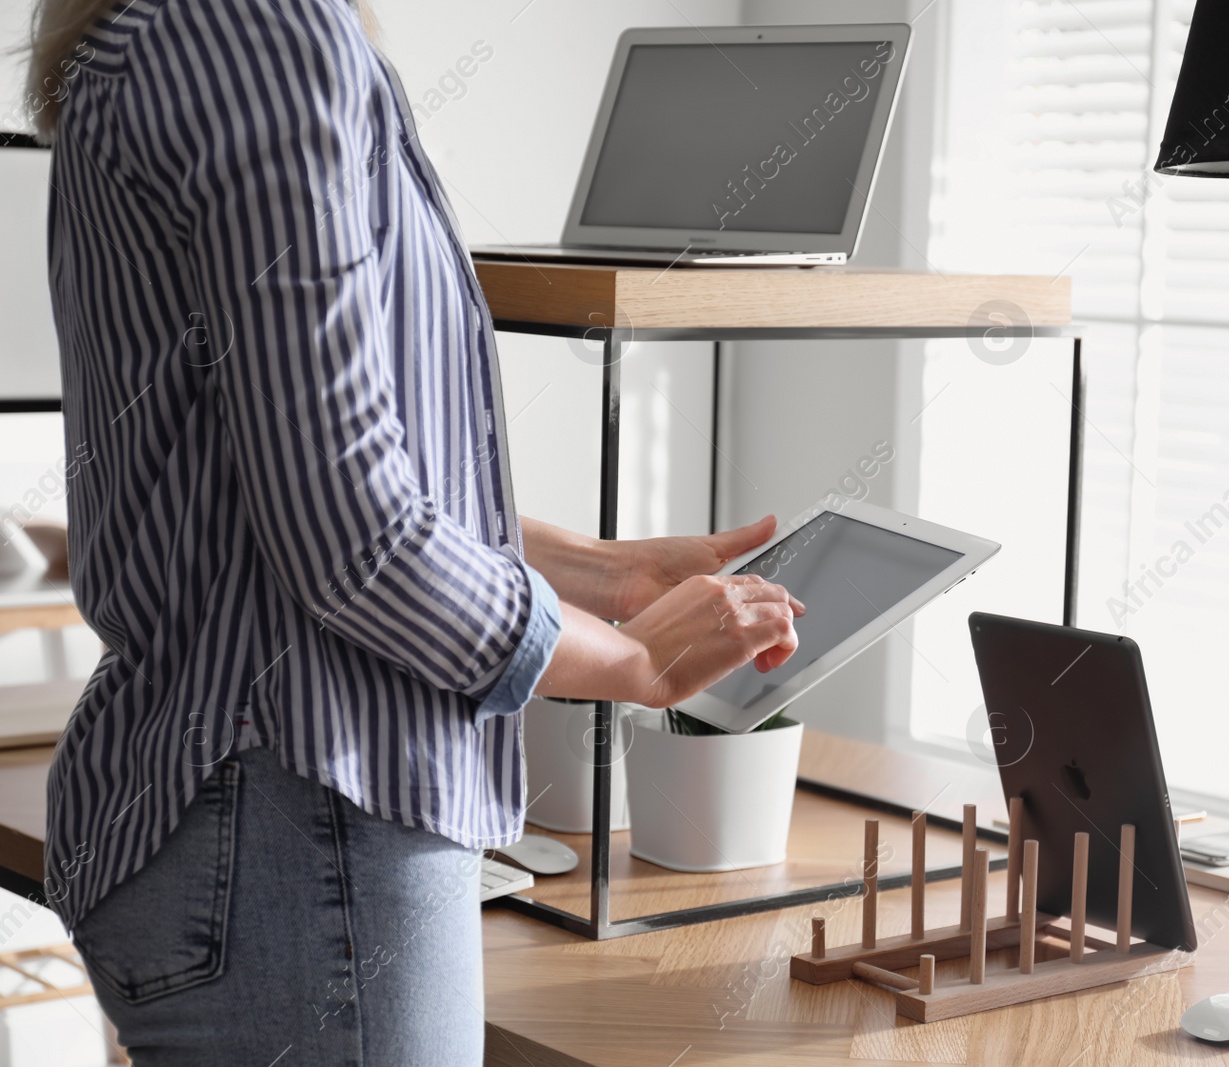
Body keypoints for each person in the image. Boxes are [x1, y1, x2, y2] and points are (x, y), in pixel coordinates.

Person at [27, 0, 802, 1062]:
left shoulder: (184, 34)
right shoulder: (261, 37)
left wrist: (596, 571)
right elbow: (350, 532)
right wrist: (626, 658)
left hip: (259, 829)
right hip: (306, 820)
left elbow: (278, 468)